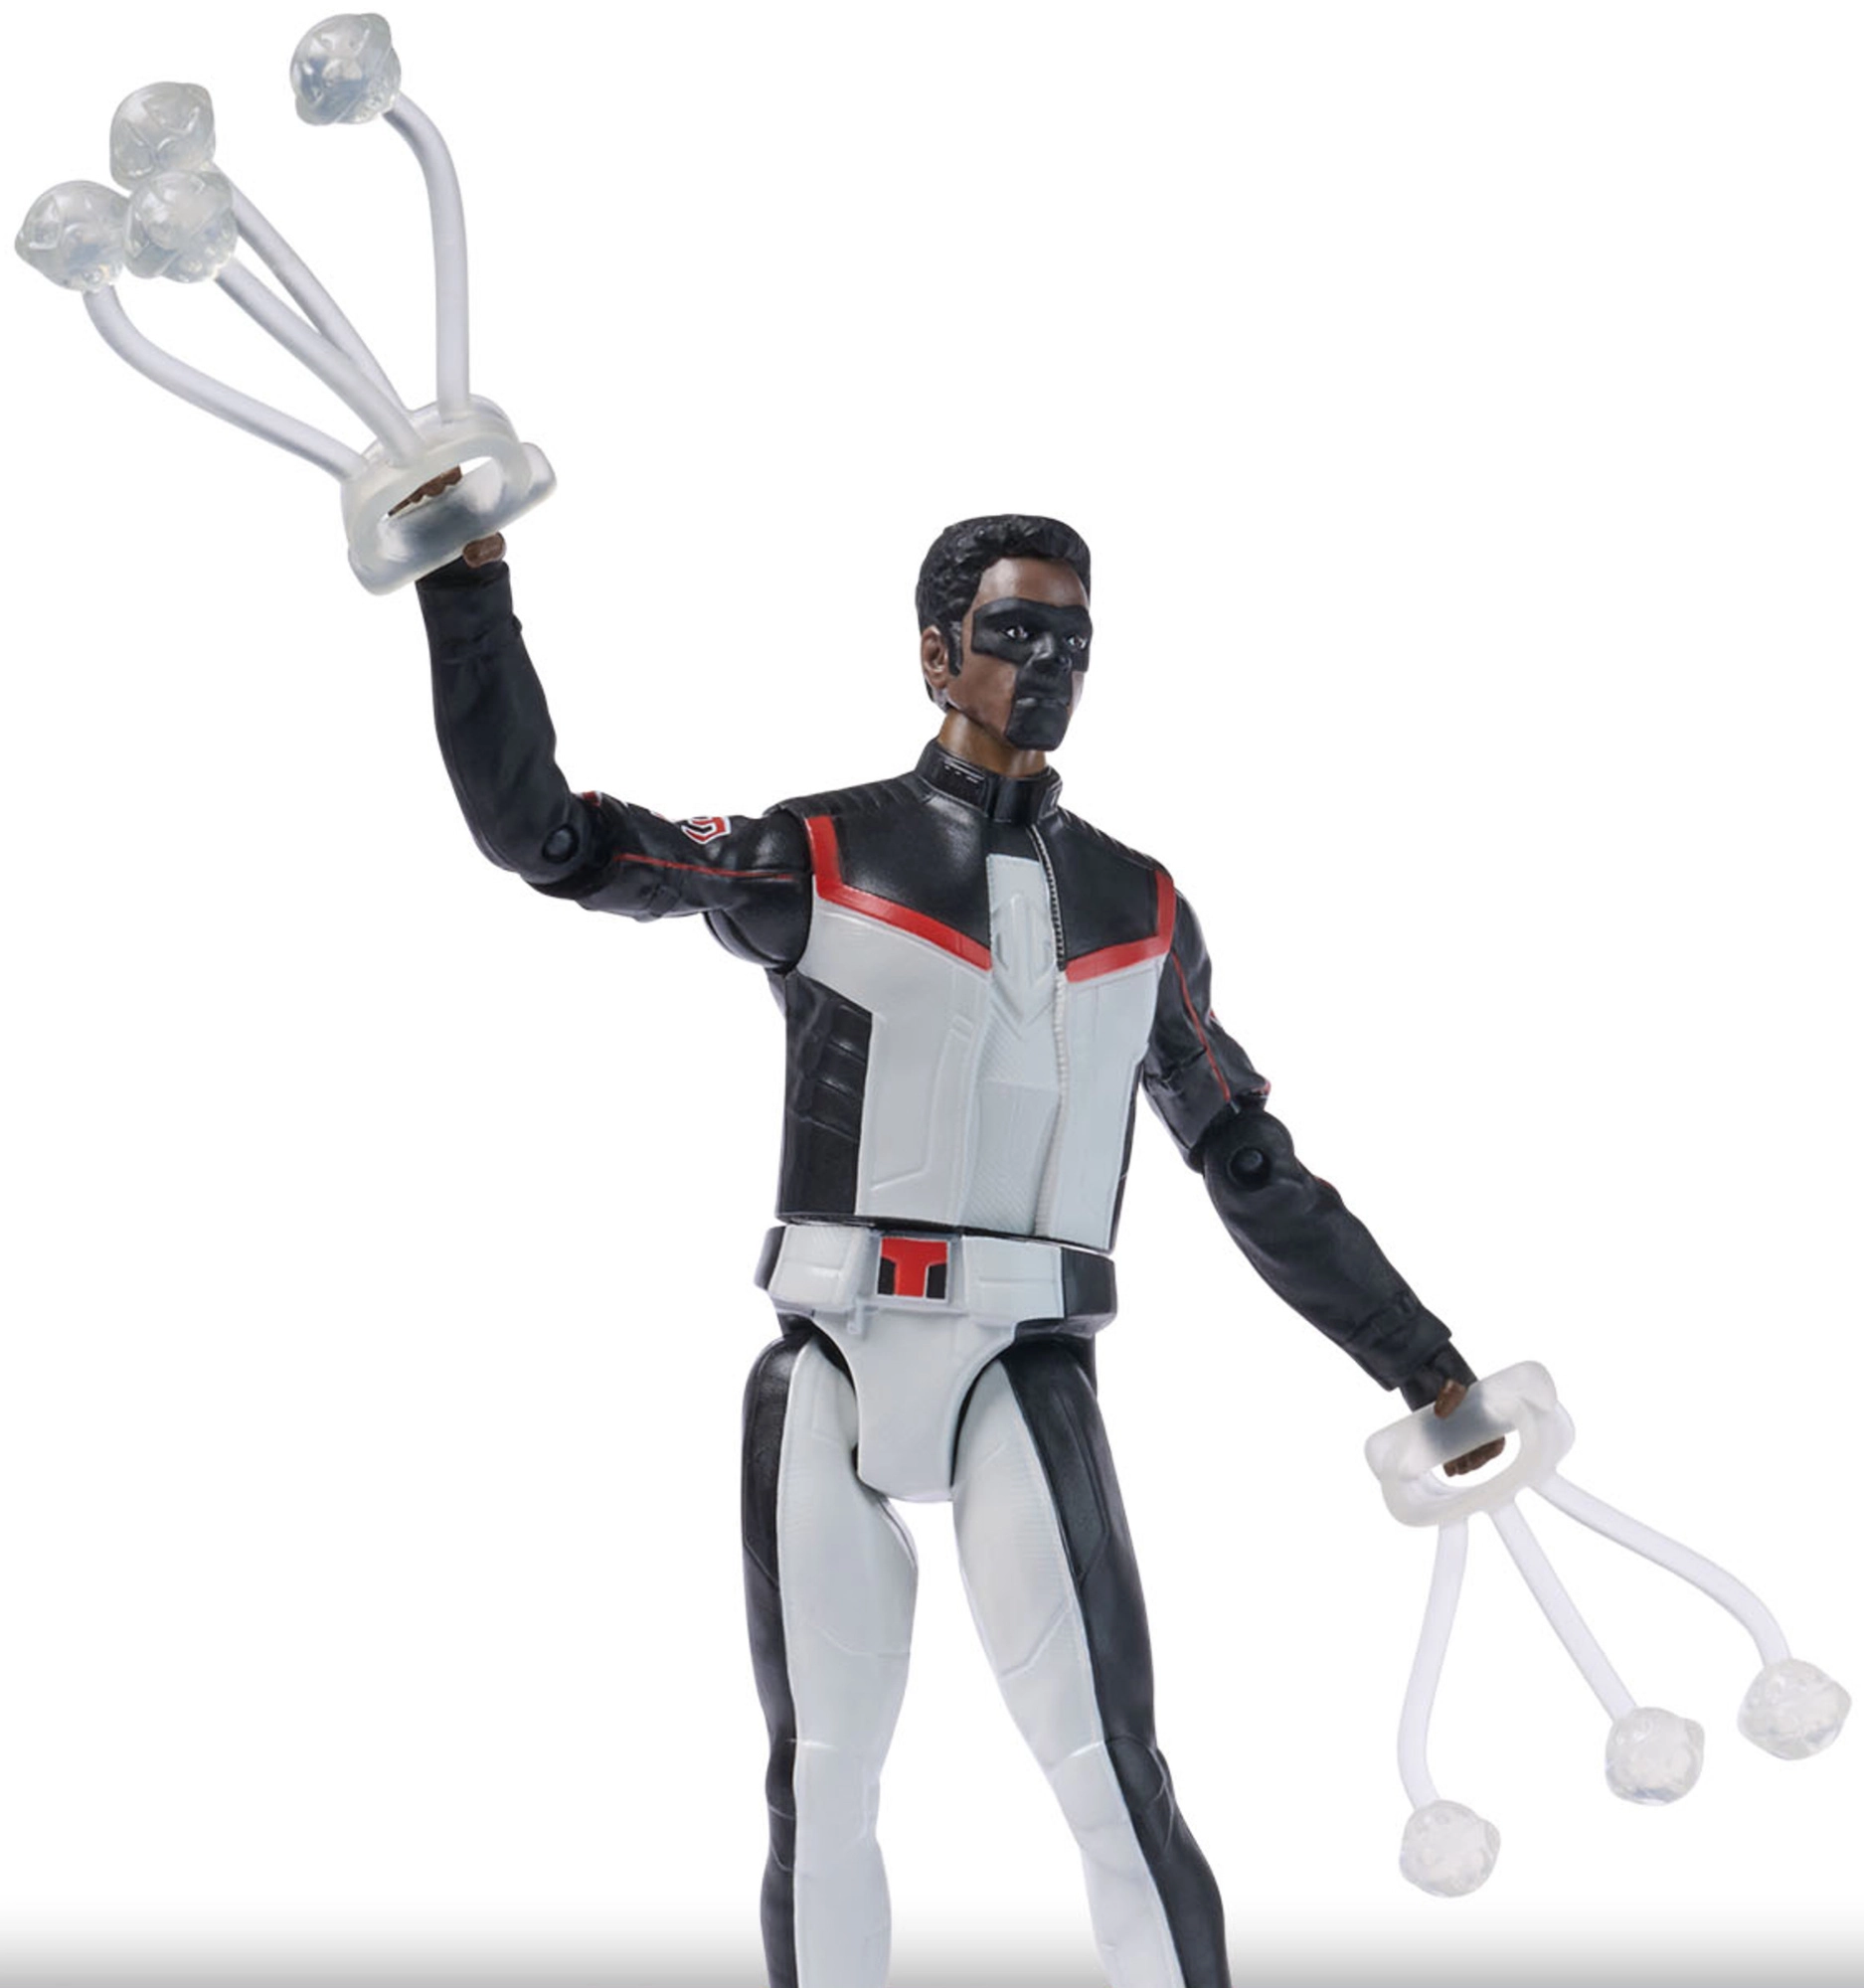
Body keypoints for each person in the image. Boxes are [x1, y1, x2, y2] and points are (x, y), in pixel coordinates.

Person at [413, 511, 1499, 1988]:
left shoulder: (1139, 907)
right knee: (823, 1788)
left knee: (1109, 1771)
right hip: (832, 1358)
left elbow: (1247, 1160)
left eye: (1072, 640)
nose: (1046, 665)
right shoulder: (821, 854)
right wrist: (465, 595)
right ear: (938, 653)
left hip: (1020, 1364)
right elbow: (548, 838)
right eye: (1012, 632)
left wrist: (1424, 1364)